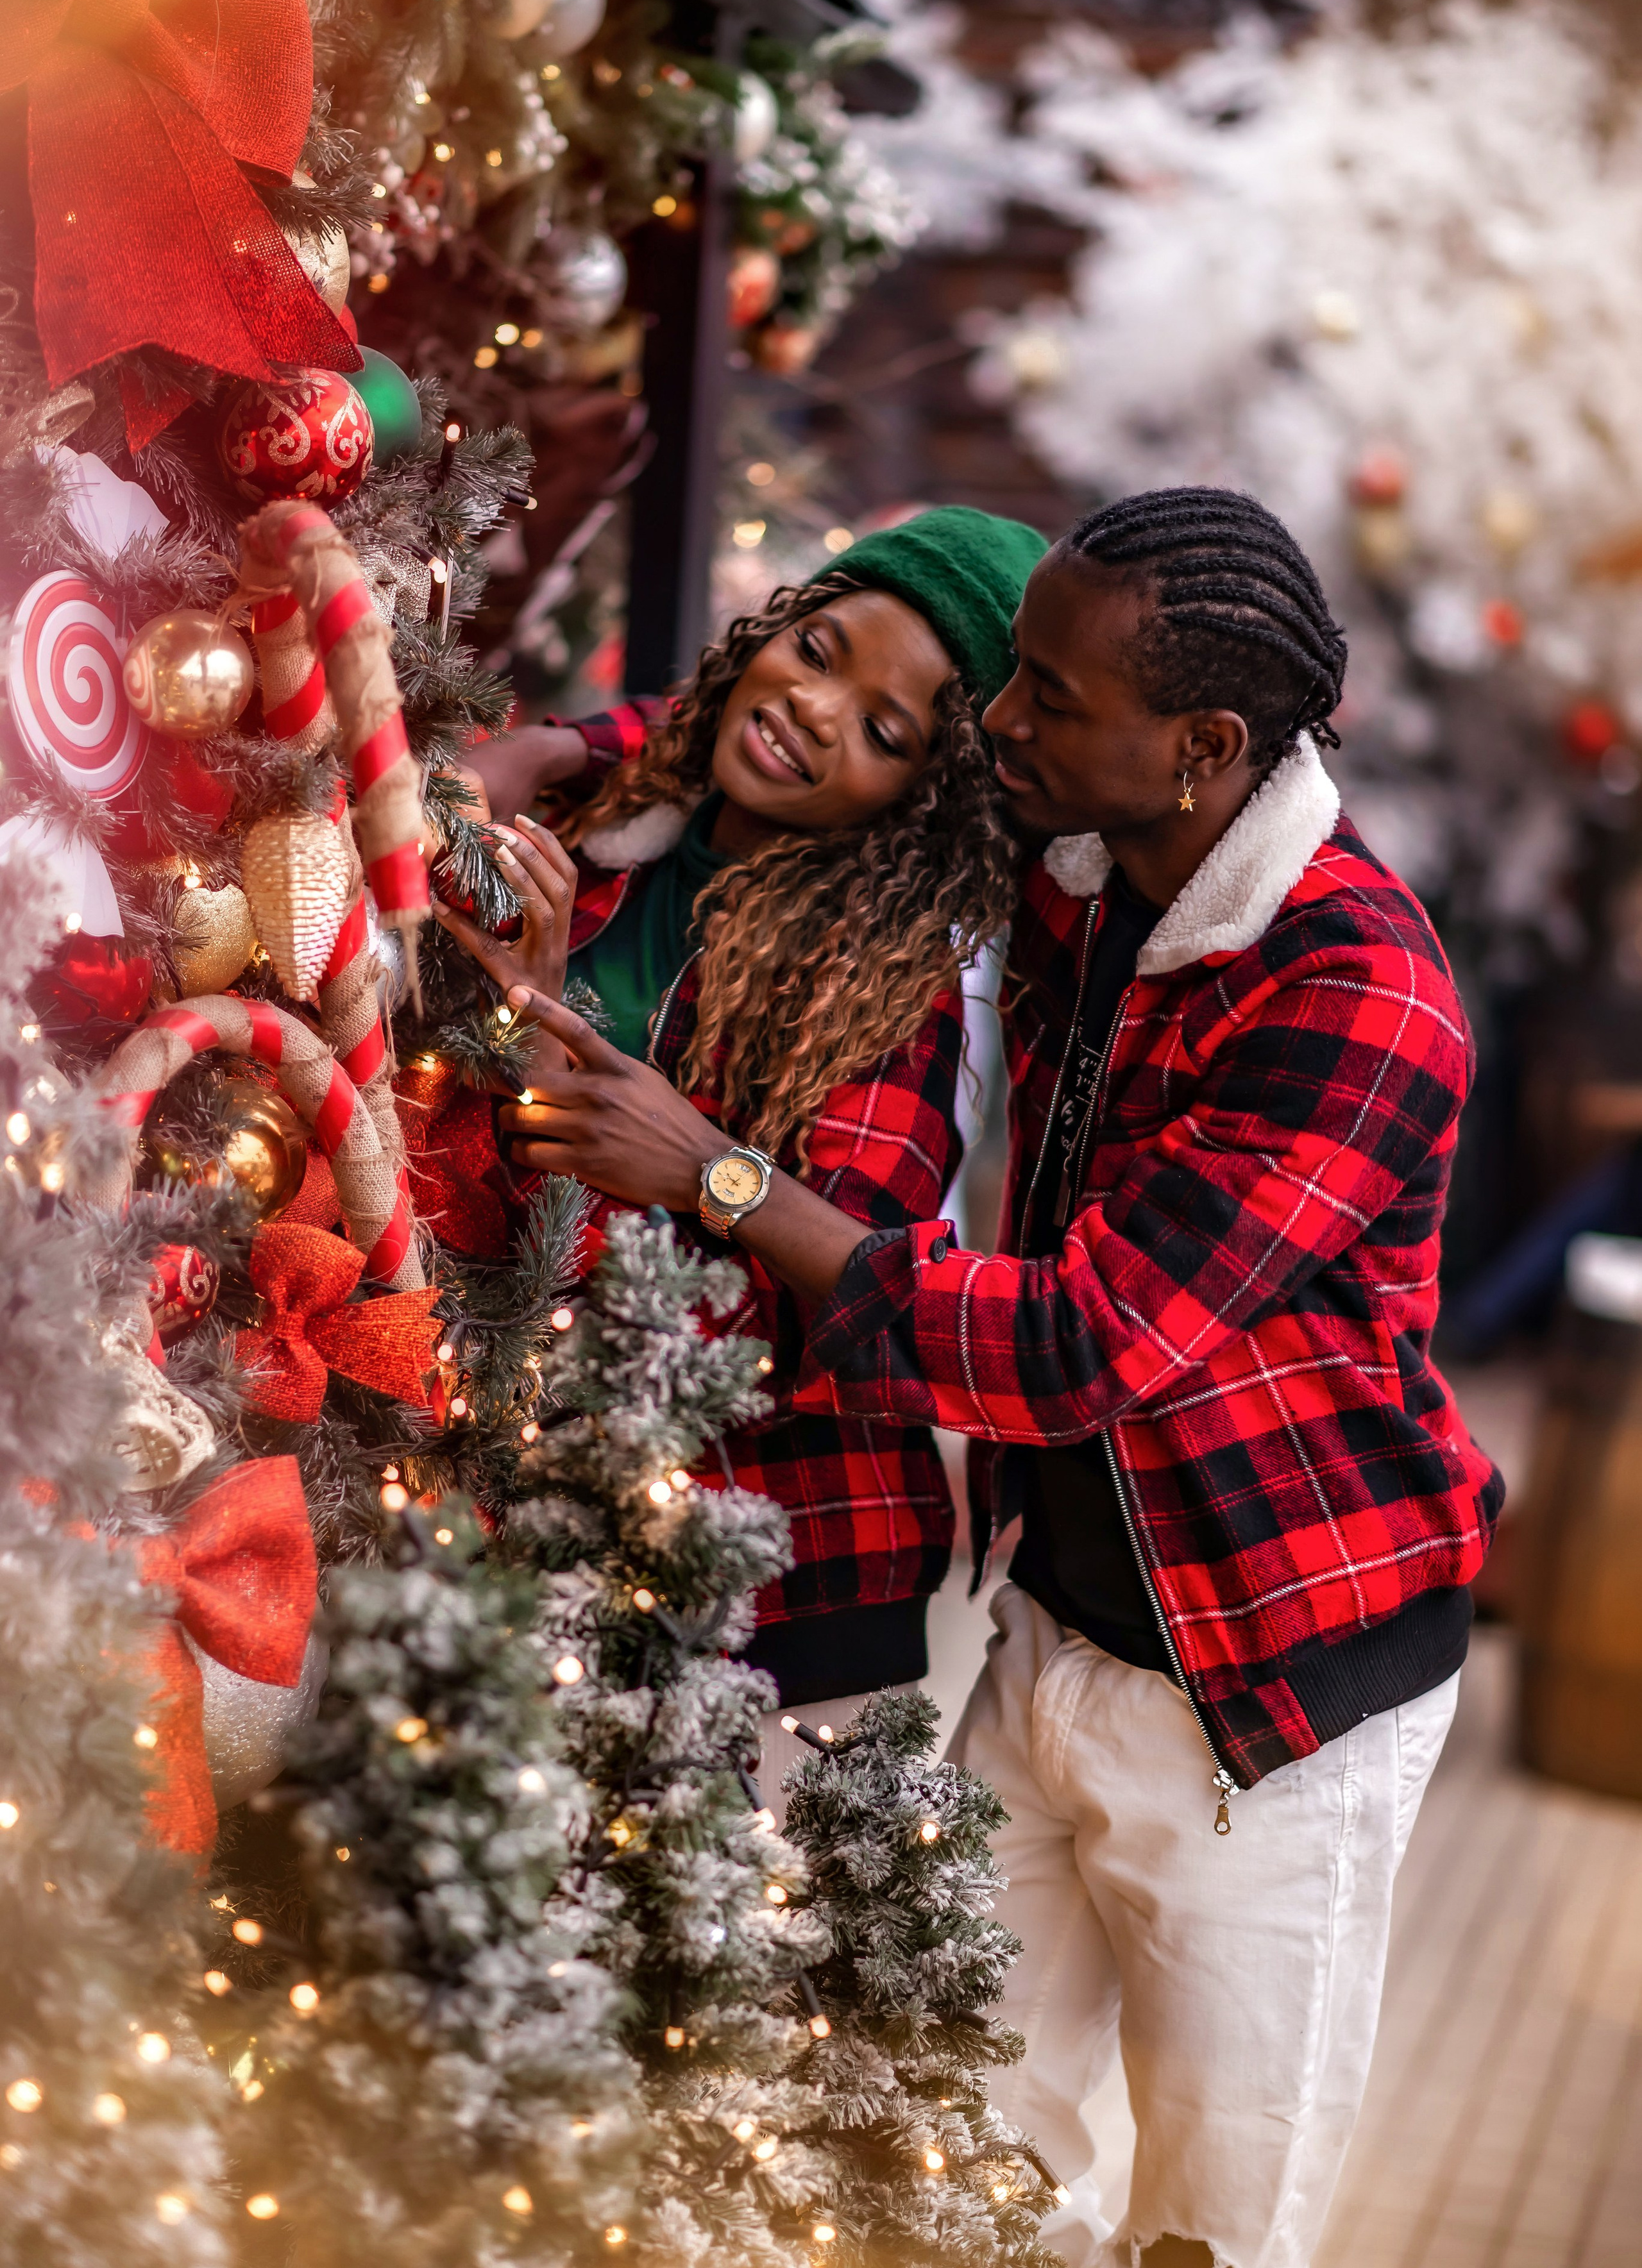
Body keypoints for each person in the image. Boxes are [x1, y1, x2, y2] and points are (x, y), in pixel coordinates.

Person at [498, 486, 1505, 2268]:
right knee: (938, 2139)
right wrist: (564, 744)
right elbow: (804, 693)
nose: (998, 722)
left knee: (1216, 2217)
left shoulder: (1361, 993)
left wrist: (717, 1172)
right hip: (1048, 1628)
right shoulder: (1080, 859)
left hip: (1269, 1691)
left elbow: (1078, 1346)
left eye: (1042, 693)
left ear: (1199, 748)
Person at [440, 507, 1045, 1810]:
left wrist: (667, 1149)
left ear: (923, 798)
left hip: (769, 1594)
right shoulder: (615, 820)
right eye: (817, 650)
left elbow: (845, 1307)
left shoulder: (887, 990)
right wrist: (545, 742)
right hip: (523, 1533)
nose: (818, 713)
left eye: (885, 733)